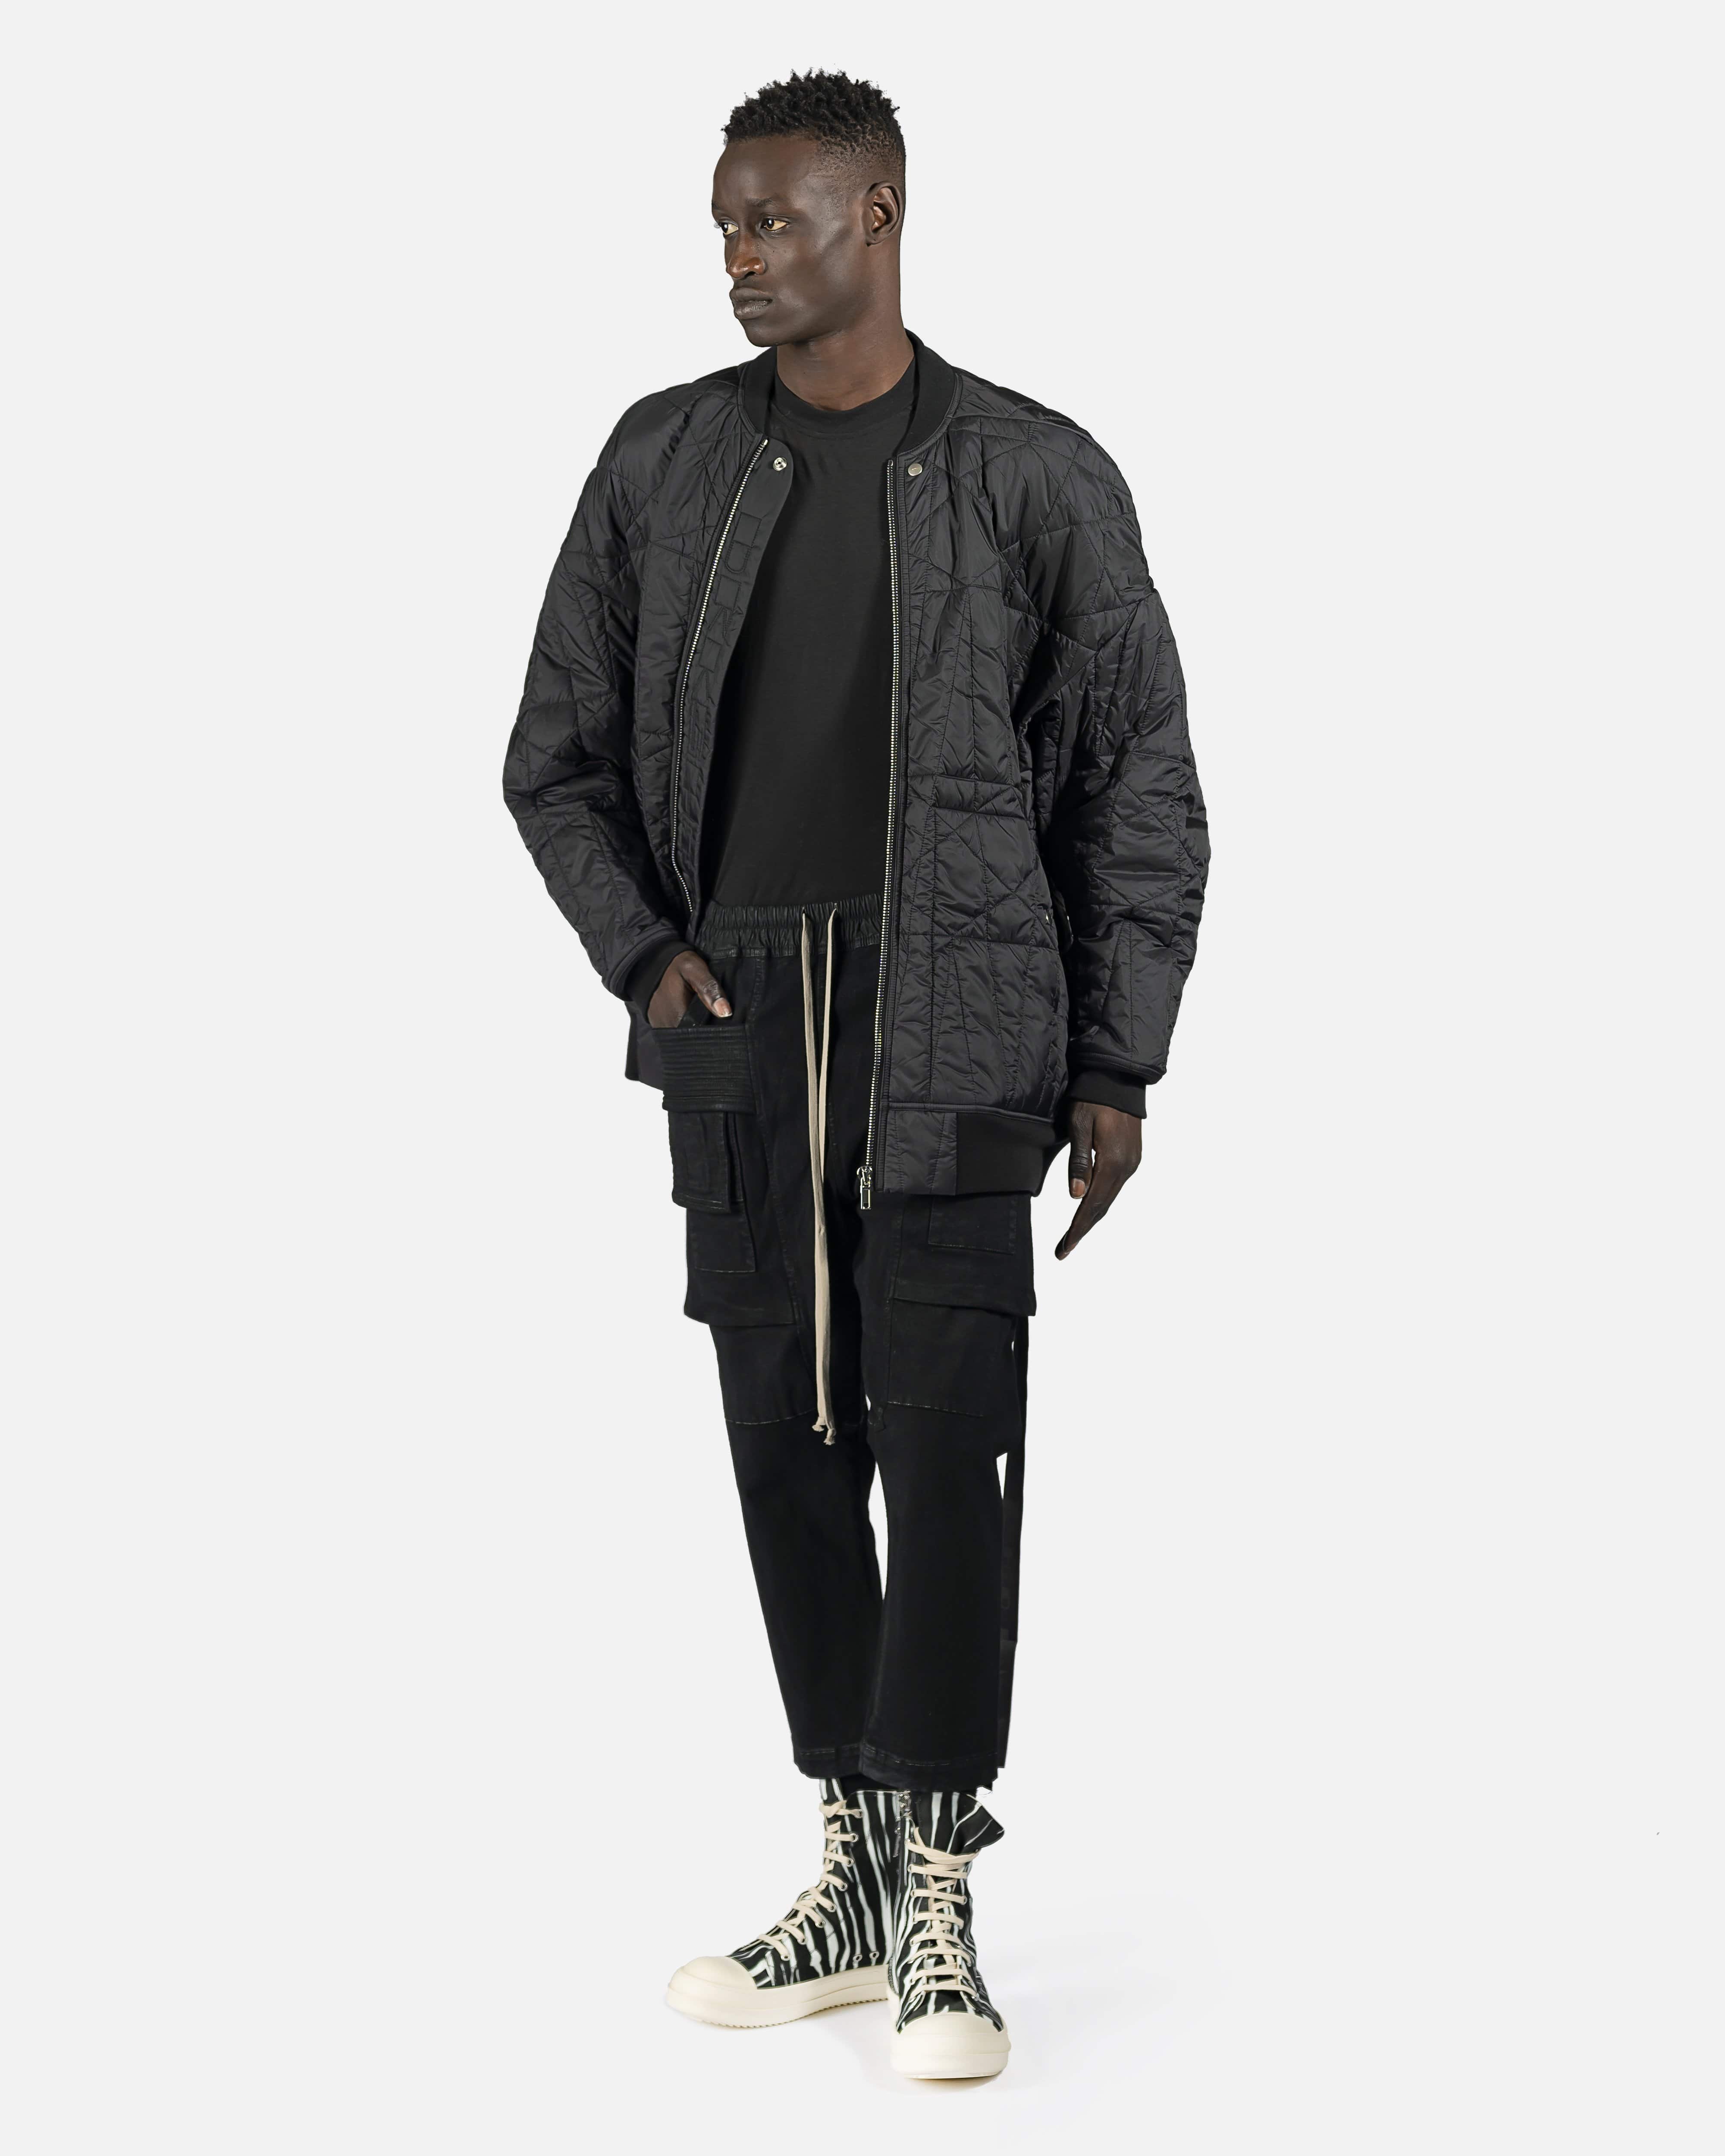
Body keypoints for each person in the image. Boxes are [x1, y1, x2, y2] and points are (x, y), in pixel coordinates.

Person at [502, 69, 1207, 2081]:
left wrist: (1117, 1055)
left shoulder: (1032, 472)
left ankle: (940, 1884)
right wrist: (645, 949)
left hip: (962, 1016)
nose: (740, 257)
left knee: (947, 1433)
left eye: (775, 220)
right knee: (785, 1442)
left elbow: (1137, 782)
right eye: (724, 224)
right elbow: (550, 753)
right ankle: (850, 1864)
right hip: (740, 1028)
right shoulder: (661, 459)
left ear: (876, 214)